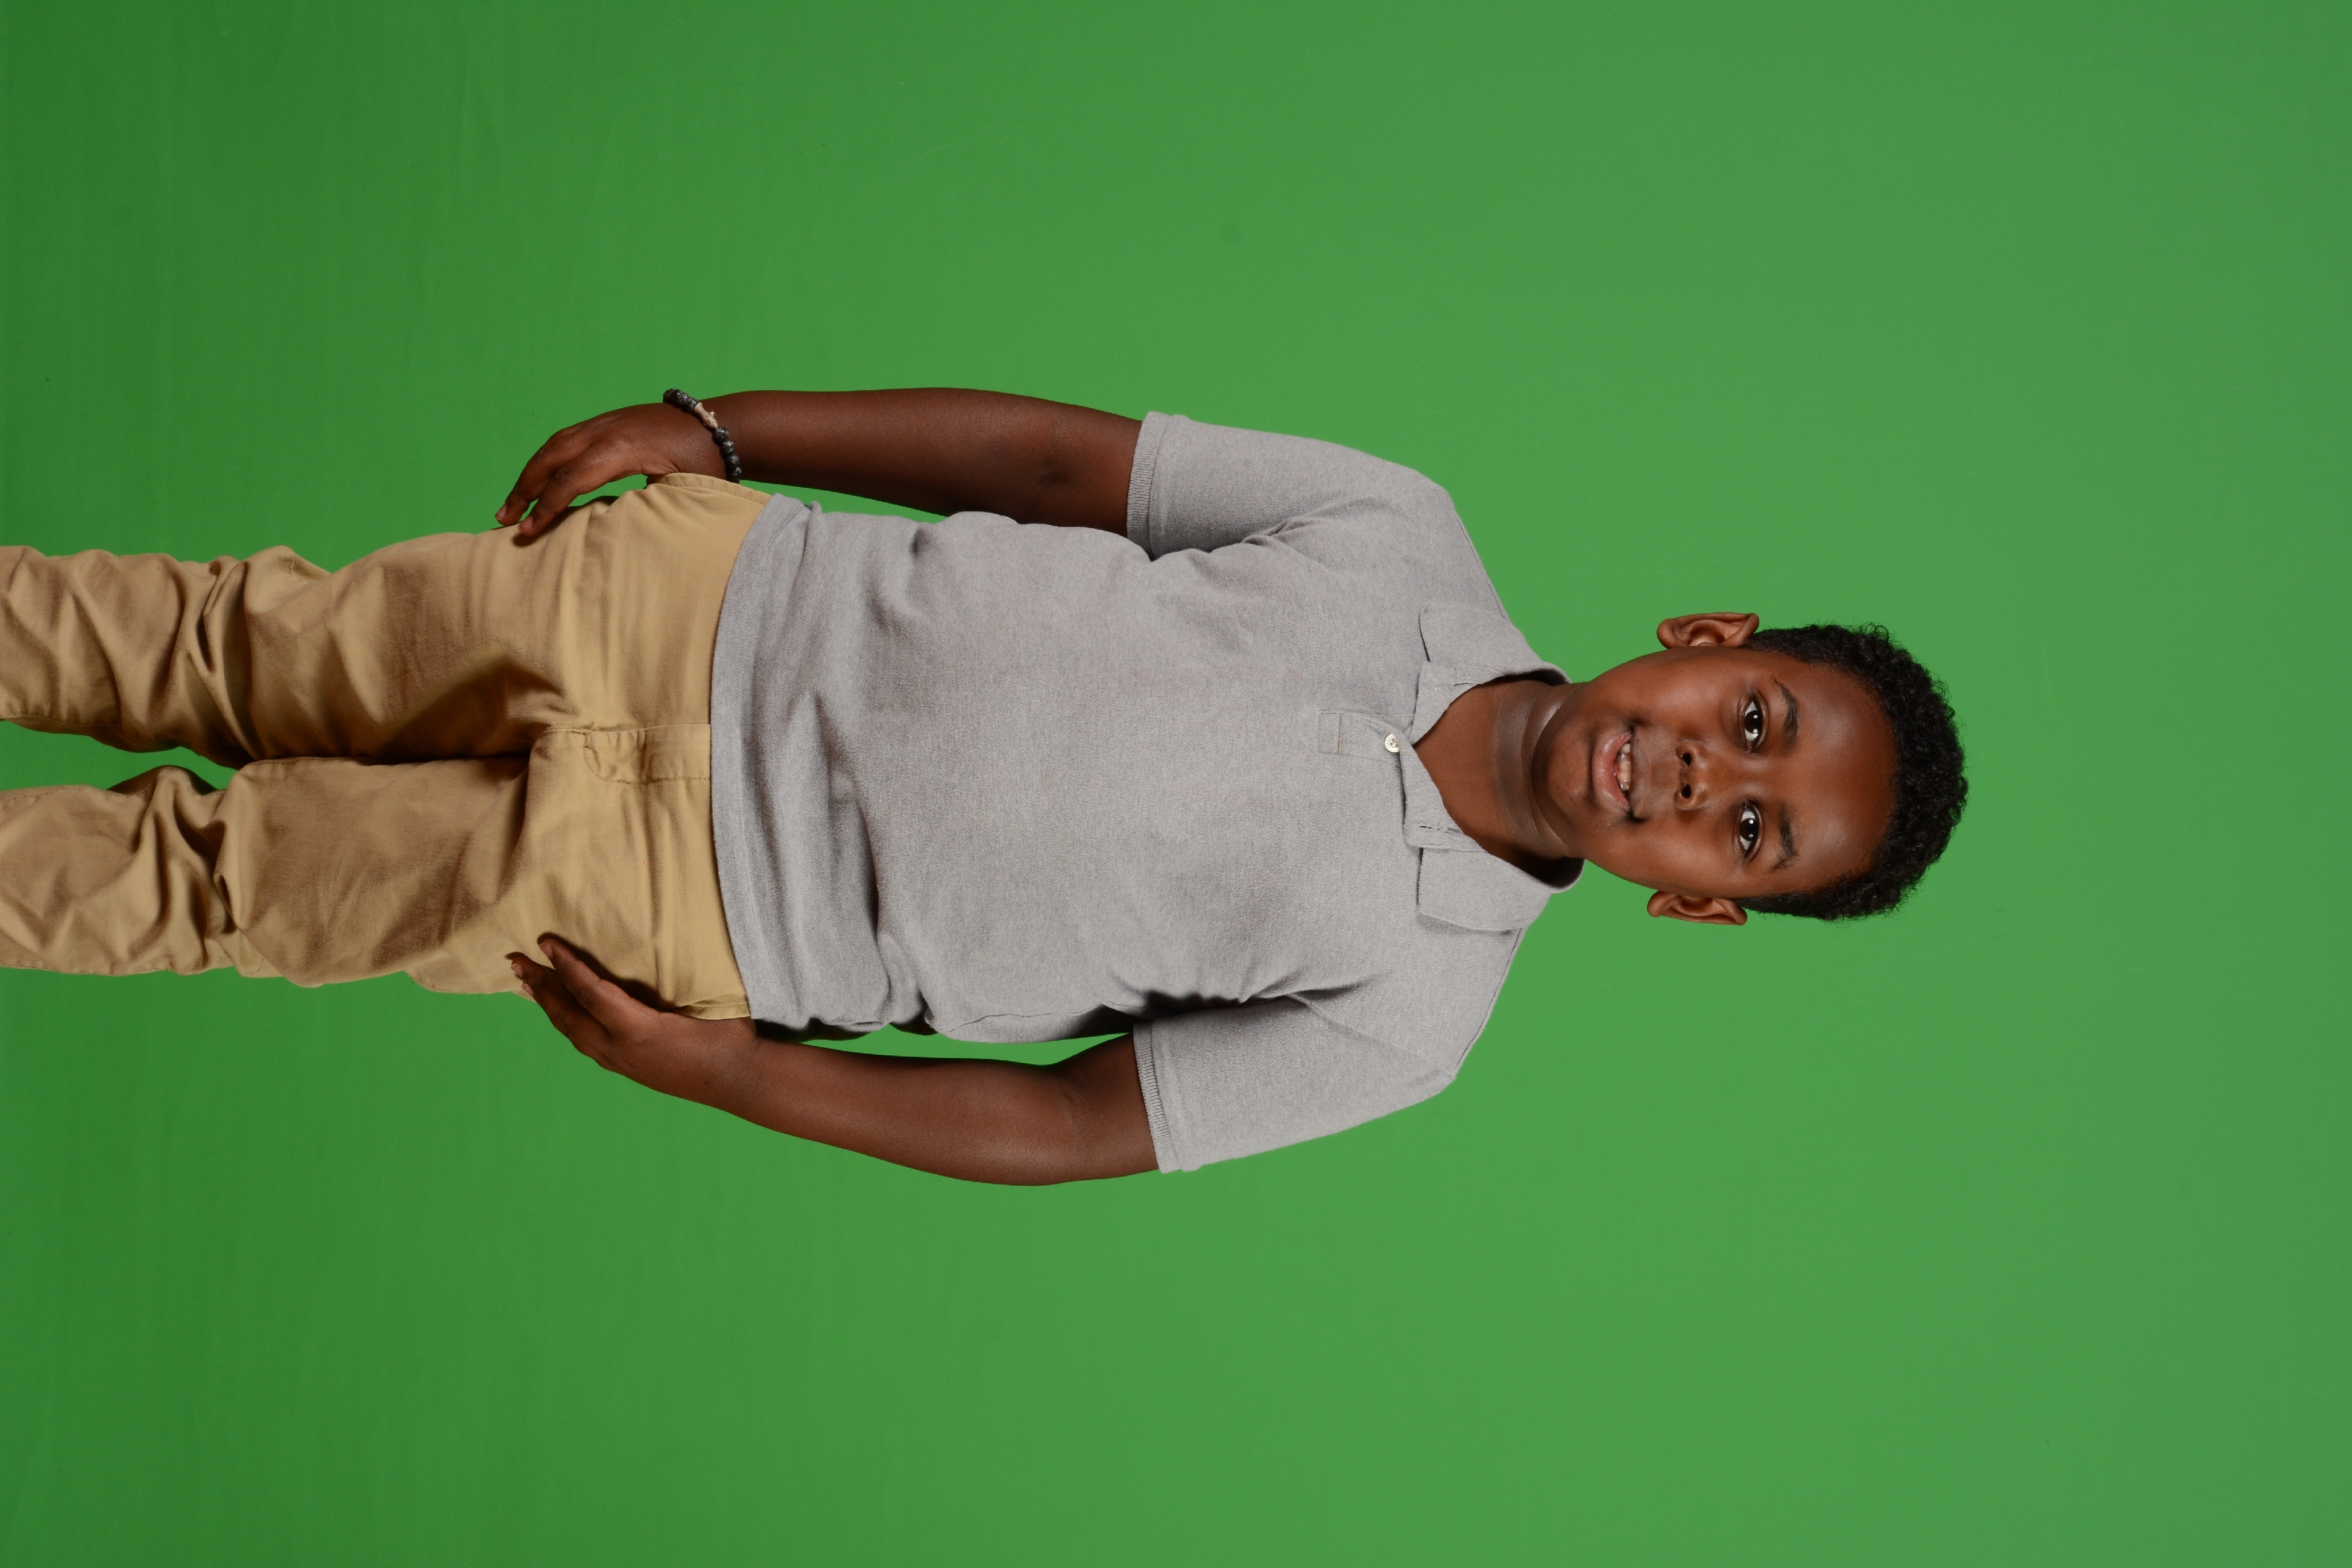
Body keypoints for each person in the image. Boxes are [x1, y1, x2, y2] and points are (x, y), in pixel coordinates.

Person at [0, 388, 1966, 1183]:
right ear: (1708, 635)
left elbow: (1067, 1124)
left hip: (689, 899)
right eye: (1752, 719)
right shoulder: (1397, 532)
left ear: (1698, 900)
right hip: (691, 604)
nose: (1698, 772)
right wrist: (721, 427)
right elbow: (1048, 464)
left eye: (1746, 830)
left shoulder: (1413, 1012)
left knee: (212, 885)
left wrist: (735, 1074)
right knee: (217, 638)